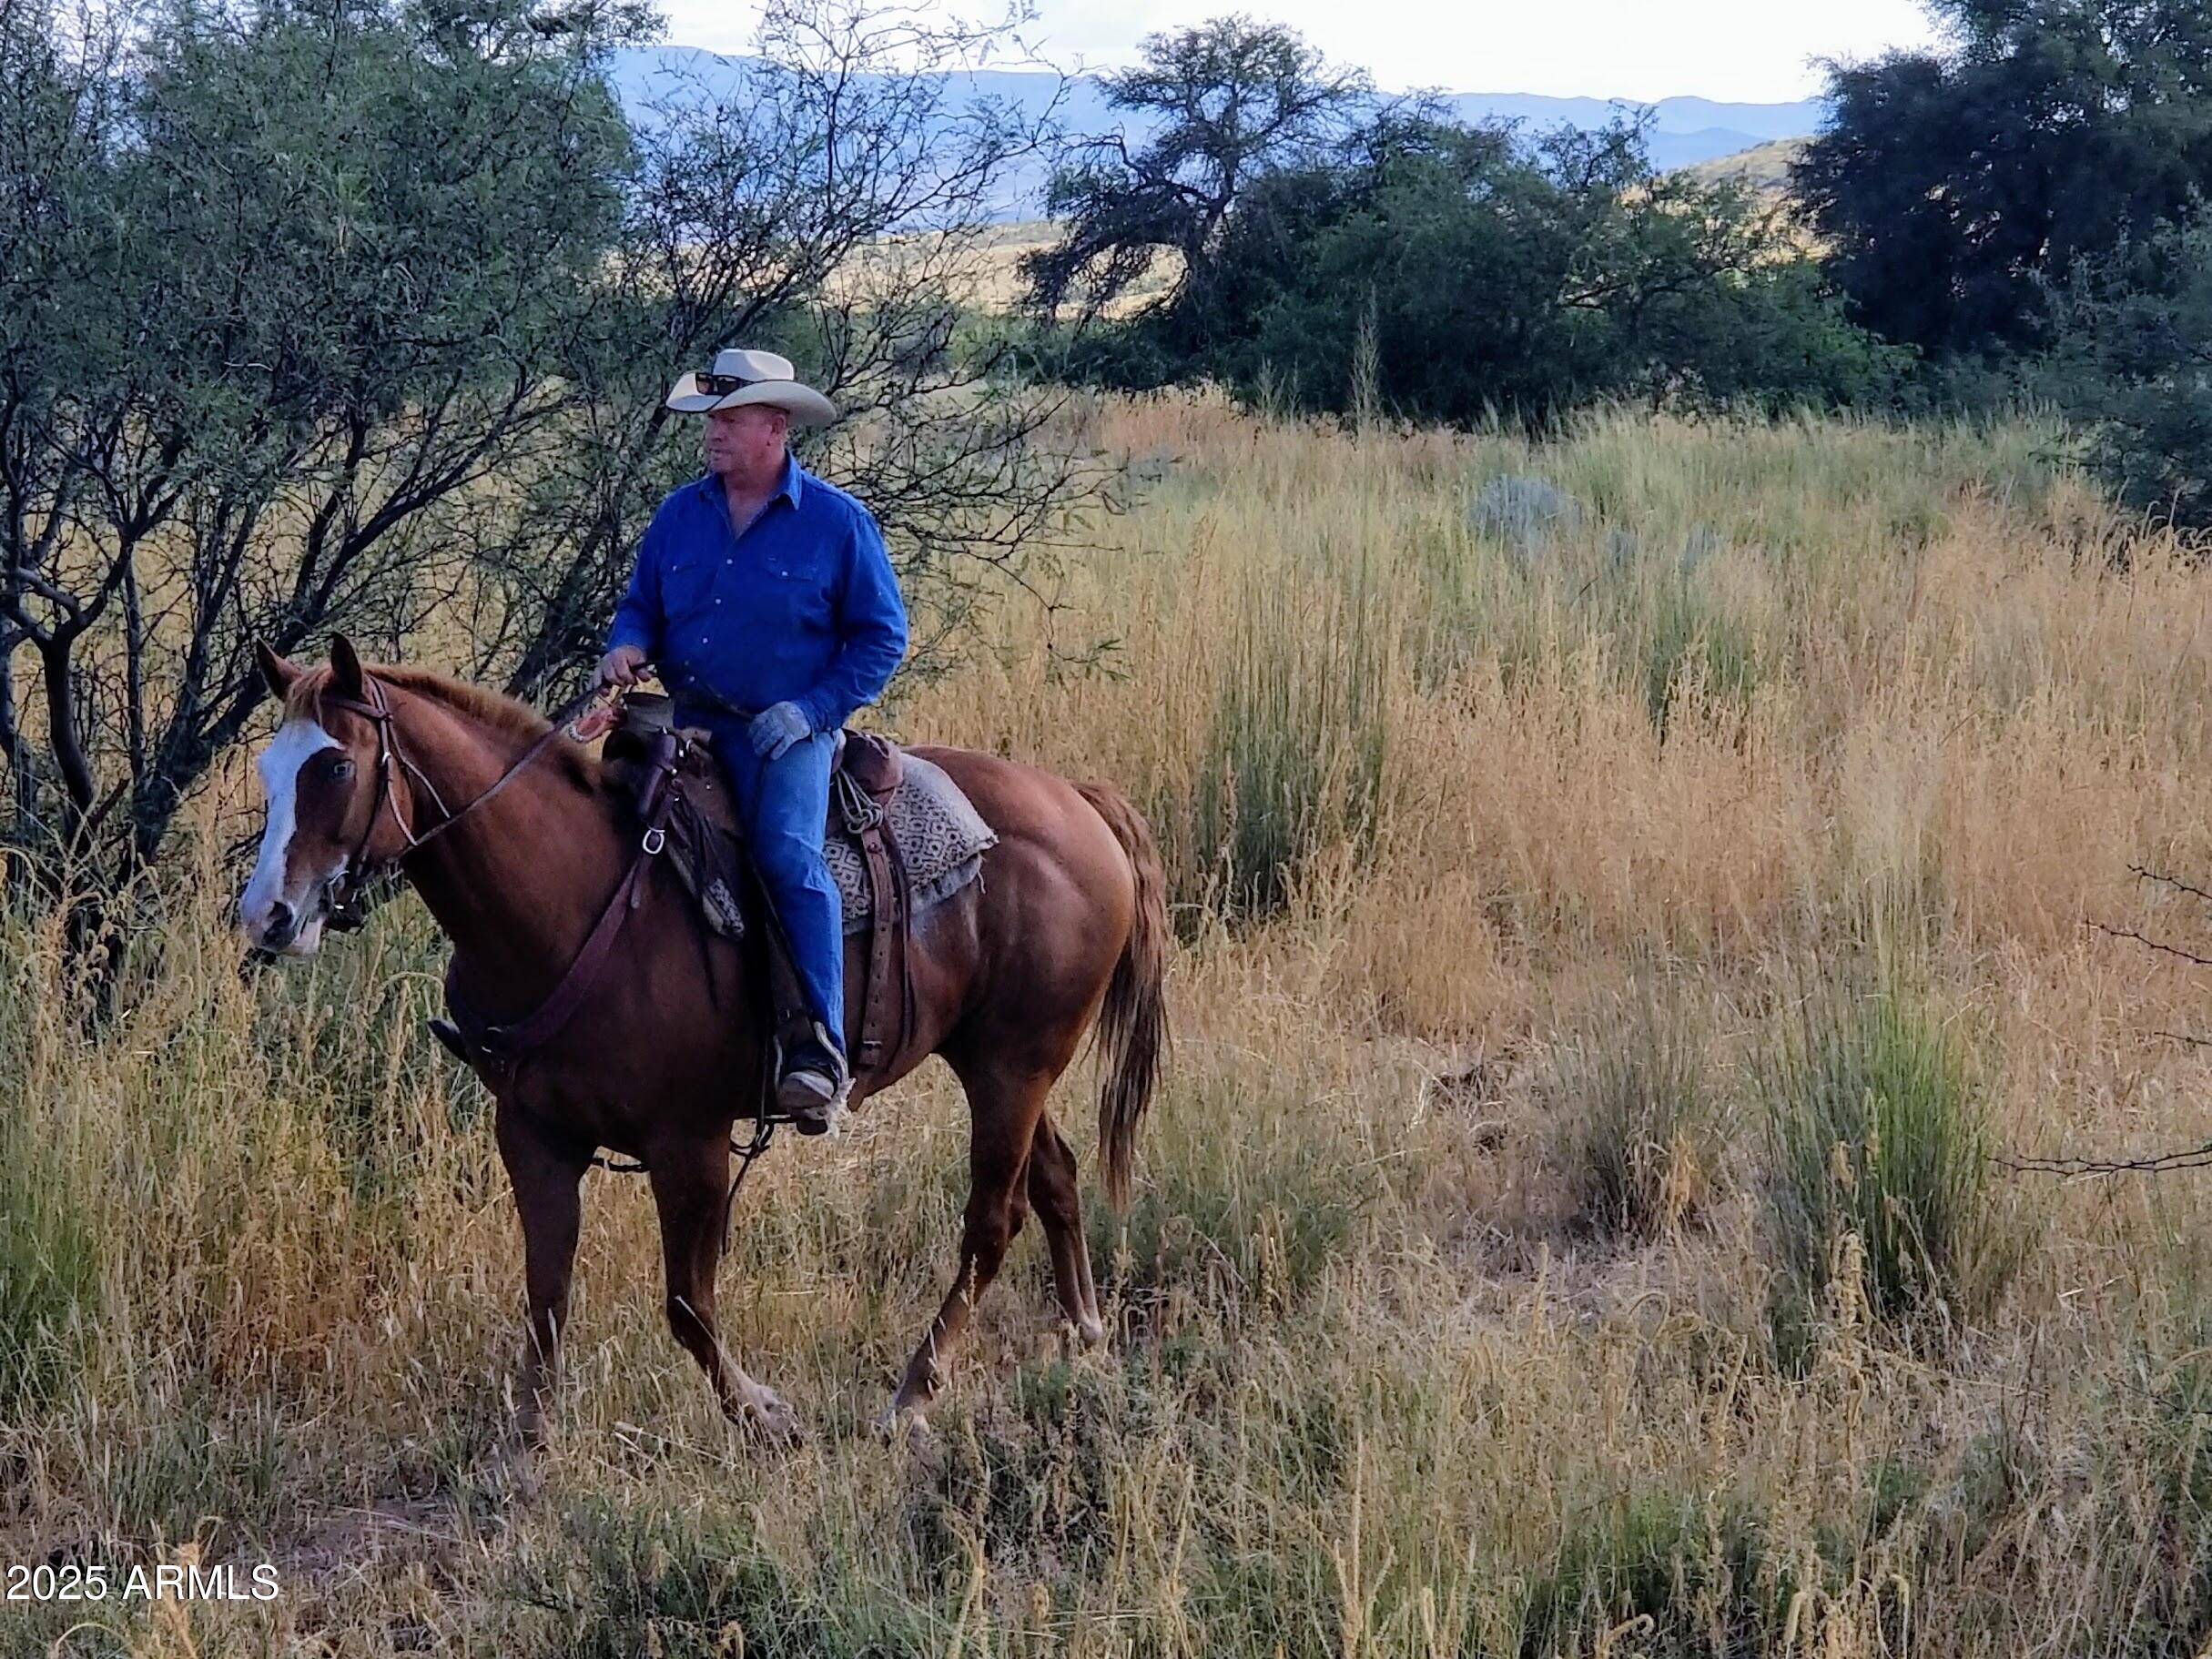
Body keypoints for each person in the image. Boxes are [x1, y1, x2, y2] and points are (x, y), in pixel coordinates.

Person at [598, 348, 907, 1129]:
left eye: (731, 420)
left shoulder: (838, 523)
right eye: (712, 420)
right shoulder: (679, 515)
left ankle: (817, 1049)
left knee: (785, 855)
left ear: (777, 425)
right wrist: (625, 644)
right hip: (686, 715)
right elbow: (641, 606)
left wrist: (812, 711)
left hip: (786, 731)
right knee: (597, 823)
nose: (715, 433)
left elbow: (881, 636)